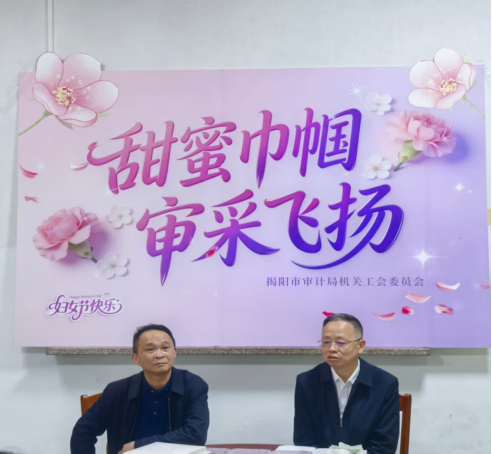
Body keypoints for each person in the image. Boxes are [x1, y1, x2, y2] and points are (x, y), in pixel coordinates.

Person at [71, 324, 209, 454]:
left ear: (175, 352)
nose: (159, 355)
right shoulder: (117, 391)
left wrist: (138, 445)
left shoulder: (193, 385)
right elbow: (83, 431)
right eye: (150, 349)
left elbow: (195, 435)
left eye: (165, 348)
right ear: (135, 358)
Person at [294, 313, 399, 453]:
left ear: (360, 346)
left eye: (341, 342)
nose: (331, 348)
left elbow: (384, 446)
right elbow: (304, 442)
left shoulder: (386, 384)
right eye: (326, 342)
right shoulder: (306, 382)